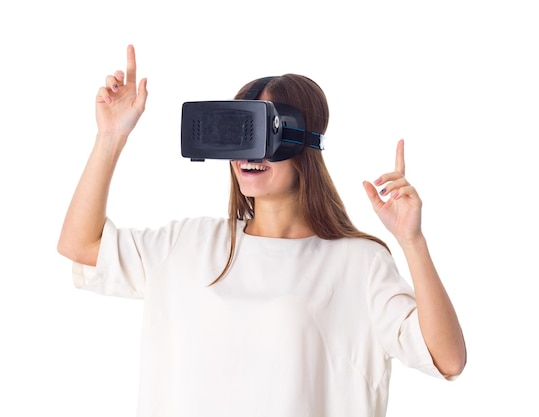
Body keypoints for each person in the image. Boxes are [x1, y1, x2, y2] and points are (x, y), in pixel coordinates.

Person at [58, 44, 466, 417]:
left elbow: (447, 358)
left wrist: (412, 241)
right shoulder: (188, 244)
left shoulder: (358, 264)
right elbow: (80, 243)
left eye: (259, 132)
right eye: (237, 133)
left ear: (301, 141)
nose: (247, 154)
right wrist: (110, 137)